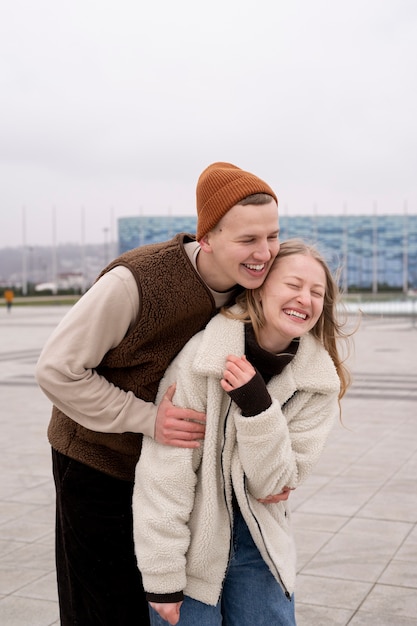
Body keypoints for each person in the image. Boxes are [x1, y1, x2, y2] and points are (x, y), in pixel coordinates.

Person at [35, 161, 280, 625]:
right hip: (99, 462)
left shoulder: (255, 287)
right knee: (103, 607)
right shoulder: (138, 281)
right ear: (206, 237)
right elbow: (56, 369)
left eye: (272, 236)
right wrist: (147, 419)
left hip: (172, 479)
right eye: (248, 239)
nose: (264, 253)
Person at [133, 239, 352, 626]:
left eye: (316, 292)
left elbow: (274, 483)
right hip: (193, 547)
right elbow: (165, 474)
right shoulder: (203, 360)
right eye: (293, 285)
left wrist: (258, 407)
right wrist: (163, 577)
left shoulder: (318, 381)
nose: (305, 299)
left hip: (261, 547)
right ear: (261, 286)